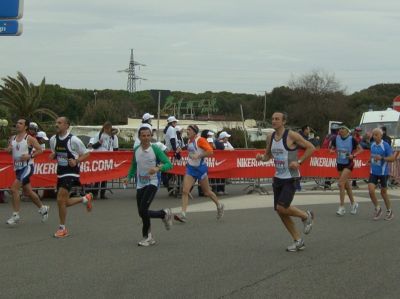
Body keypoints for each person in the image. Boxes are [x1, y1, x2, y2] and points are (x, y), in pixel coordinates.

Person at [256, 112, 315, 252]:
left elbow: (311, 147)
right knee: (280, 211)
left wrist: (299, 162)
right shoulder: (270, 137)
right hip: (278, 178)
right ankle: (298, 240)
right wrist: (261, 158)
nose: (274, 121)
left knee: (282, 207)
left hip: (291, 177)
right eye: (272, 119)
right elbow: (268, 156)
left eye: (277, 119)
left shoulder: (291, 135)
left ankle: (306, 216)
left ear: (284, 122)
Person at [126, 126, 173, 246]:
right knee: (142, 213)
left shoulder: (155, 149)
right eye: (143, 136)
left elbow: (169, 164)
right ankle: (163, 214)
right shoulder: (136, 149)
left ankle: (147, 237)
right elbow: (133, 165)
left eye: (148, 135)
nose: (146, 138)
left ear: (151, 136)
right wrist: (128, 178)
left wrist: (158, 168)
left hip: (152, 183)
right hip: (140, 184)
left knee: (143, 210)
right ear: (139, 137)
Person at [49, 116, 93, 238]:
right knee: (63, 202)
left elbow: (87, 154)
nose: (56, 125)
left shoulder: (73, 140)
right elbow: (55, 153)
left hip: (72, 172)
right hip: (60, 172)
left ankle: (62, 228)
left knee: (59, 199)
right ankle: (85, 199)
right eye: (56, 122)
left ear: (67, 125)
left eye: (59, 123)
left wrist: (77, 161)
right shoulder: (53, 139)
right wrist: (53, 155)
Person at [174, 125, 224, 223]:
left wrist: (199, 155)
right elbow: (191, 150)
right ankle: (183, 214)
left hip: (201, 169)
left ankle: (219, 205)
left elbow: (210, 151)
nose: (187, 131)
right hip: (191, 169)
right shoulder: (189, 141)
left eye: (189, 130)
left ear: (194, 132)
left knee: (207, 192)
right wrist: (181, 149)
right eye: (187, 130)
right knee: (185, 191)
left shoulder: (200, 140)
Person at [5, 118, 50, 225]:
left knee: (14, 188)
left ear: (25, 127)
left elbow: (40, 150)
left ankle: (15, 215)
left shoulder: (29, 138)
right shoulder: (12, 138)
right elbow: (10, 151)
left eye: (20, 123)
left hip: (27, 167)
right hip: (17, 168)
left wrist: (30, 156)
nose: (17, 124)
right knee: (28, 191)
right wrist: (9, 150)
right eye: (17, 123)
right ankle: (43, 208)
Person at [330, 124, 363, 216]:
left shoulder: (352, 139)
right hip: (340, 163)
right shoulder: (335, 138)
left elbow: (361, 149)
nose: (340, 130)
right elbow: (332, 148)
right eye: (339, 128)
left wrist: (354, 155)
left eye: (342, 128)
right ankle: (353, 204)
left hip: (349, 163)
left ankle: (341, 207)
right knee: (346, 185)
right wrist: (332, 151)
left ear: (347, 130)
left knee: (341, 184)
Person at [368, 128, 395, 220]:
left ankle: (389, 211)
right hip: (373, 172)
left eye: (376, 135)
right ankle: (378, 208)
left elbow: (392, 158)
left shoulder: (385, 145)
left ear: (381, 135)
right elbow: (372, 157)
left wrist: (382, 158)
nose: (374, 137)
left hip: (383, 173)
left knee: (383, 193)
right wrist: (370, 160)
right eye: (373, 135)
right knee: (371, 191)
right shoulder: (372, 145)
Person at [91, 121, 115, 199]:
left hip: (107, 158)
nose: (108, 130)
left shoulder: (112, 136)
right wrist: (99, 143)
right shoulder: (99, 135)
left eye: (110, 129)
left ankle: (102, 194)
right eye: (107, 129)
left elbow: (112, 147)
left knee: (105, 177)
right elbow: (94, 146)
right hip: (99, 158)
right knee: (98, 176)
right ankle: (95, 193)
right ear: (104, 128)